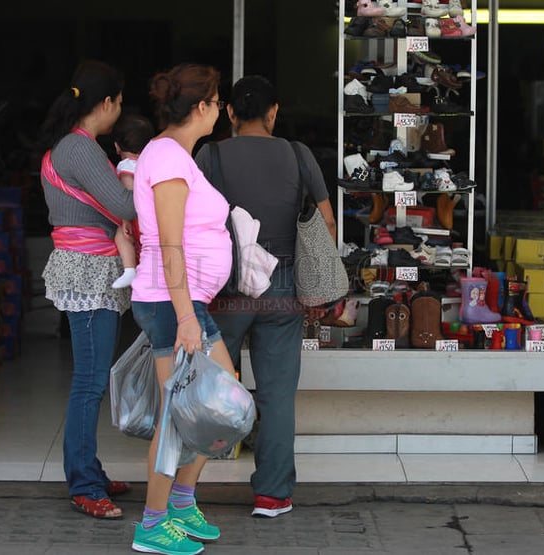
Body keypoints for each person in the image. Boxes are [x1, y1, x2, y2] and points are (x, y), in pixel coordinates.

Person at [193, 75, 336, 518]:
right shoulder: (298, 154)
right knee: (276, 393)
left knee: (204, 384)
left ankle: (183, 491)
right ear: (274, 112)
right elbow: (327, 224)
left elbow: (191, 222)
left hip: (225, 285)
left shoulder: (209, 154)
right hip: (283, 285)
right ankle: (272, 494)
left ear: (230, 113)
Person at [130, 63, 236, 555]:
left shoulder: (176, 155)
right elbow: (168, 244)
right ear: (201, 106)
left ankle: (180, 503)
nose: (220, 110)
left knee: (214, 409)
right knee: (187, 414)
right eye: (217, 101)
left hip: (182, 300)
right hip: (174, 303)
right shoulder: (168, 157)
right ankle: (153, 523)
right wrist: (188, 318)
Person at [38, 60, 135, 520]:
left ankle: (87, 469)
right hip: (90, 272)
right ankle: (83, 483)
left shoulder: (74, 147)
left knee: (90, 379)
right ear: (107, 103)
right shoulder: (81, 150)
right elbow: (124, 205)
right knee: (90, 382)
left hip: (85, 269)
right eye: (119, 101)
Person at [110, 114, 155, 289]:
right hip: (154, 216)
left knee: (121, 235)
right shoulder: (151, 162)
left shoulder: (126, 166)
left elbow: (129, 198)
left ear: (117, 147)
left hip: (137, 218)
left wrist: (125, 219)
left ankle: (130, 270)